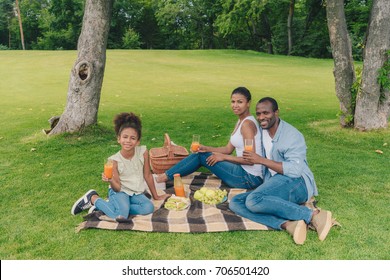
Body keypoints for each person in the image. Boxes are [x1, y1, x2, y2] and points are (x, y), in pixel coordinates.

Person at [229, 97, 333, 245]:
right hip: (276, 183)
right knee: (236, 202)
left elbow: (295, 170)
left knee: (253, 200)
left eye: (266, 113)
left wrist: (261, 160)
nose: (261, 117)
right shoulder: (262, 130)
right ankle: (288, 224)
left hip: (298, 183)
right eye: (258, 114)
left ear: (276, 112)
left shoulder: (292, 136)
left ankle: (313, 215)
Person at [156, 86, 263, 189]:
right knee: (202, 153)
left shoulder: (247, 125)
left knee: (200, 156)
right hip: (244, 172)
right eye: (233, 101)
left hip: (249, 178)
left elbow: (250, 160)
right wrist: (206, 148)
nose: (235, 105)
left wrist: (222, 157)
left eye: (240, 102)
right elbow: (228, 149)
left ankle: (162, 178)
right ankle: (166, 175)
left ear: (248, 103)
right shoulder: (241, 121)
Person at [71, 112, 170, 220]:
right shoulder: (114, 161)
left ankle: (110, 207)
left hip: (135, 192)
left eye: (132, 138)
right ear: (119, 139)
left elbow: (148, 175)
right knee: (121, 216)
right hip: (119, 191)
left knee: (148, 208)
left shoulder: (143, 152)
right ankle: (93, 199)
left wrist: (156, 196)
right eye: (125, 137)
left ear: (138, 141)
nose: (128, 141)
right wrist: (110, 180)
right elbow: (117, 188)